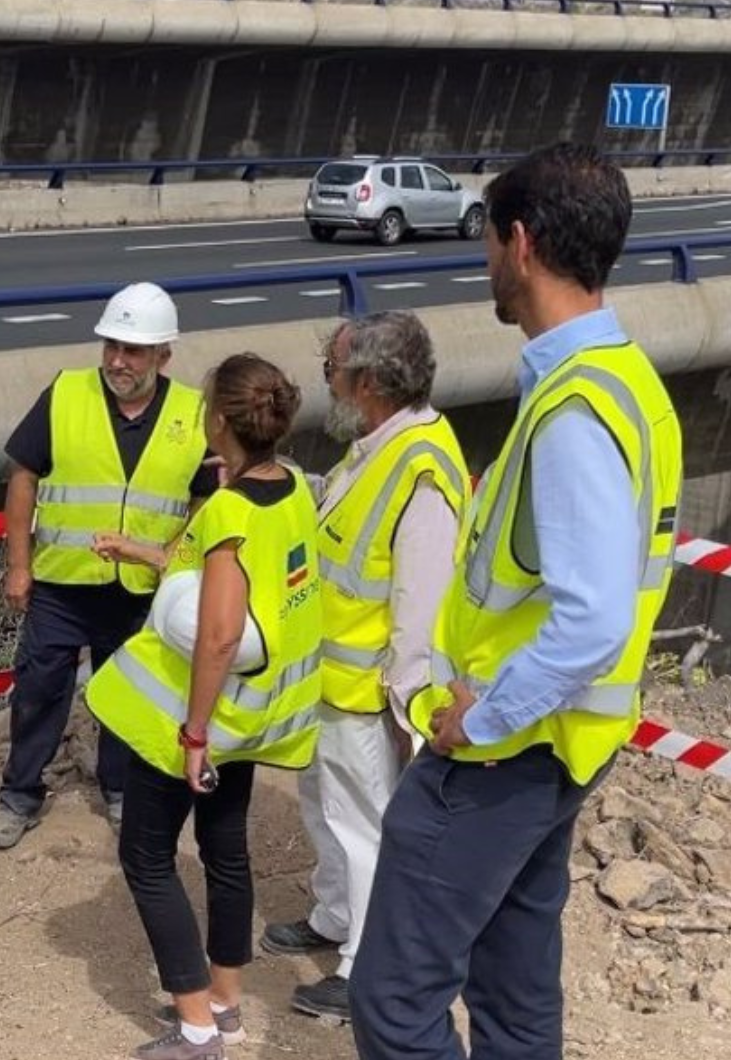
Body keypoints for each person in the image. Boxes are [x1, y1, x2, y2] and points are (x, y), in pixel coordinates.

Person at [350, 142, 684, 1059]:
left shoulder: (574, 412)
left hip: (506, 752)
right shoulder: (625, 382)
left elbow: (591, 617)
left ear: (522, 243)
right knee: (514, 987)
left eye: (490, 238)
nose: (485, 257)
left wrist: (484, 721)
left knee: (391, 1000)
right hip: (561, 750)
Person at [85, 353, 325, 1060]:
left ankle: (194, 1030)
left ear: (219, 421)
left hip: (196, 724)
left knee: (147, 856)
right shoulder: (294, 490)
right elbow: (229, 585)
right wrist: (140, 549)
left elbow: (217, 630)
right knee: (225, 852)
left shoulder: (226, 511)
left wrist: (192, 734)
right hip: (251, 718)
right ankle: (225, 1004)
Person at [258, 311, 465, 1024]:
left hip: (365, 694)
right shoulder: (376, 447)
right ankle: (335, 915)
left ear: (369, 382)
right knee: (324, 808)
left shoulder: (422, 469)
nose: (328, 385)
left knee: (366, 826)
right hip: (330, 684)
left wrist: (407, 706)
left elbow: (422, 603)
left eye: (333, 372)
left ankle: (363, 967)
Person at [0, 282, 218, 849]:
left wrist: (173, 564)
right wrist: (19, 566)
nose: (117, 360)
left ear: (164, 355)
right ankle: (20, 795)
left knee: (127, 693)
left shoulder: (194, 412)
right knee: (40, 686)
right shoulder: (65, 393)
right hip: (62, 583)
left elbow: (206, 504)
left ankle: (120, 792)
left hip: (140, 589)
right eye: (111, 346)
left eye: (132, 351)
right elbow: (23, 475)